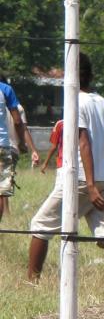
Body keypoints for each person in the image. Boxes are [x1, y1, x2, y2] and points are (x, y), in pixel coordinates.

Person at [27, 54, 104, 281]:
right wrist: (97, 181)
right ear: (91, 76)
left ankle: (31, 281)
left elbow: (84, 142)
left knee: (40, 226)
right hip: (102, 177)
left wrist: (90, 186)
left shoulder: (74, 101)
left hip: (81, 179)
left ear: (69, 76)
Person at [0, 77, 38, 223]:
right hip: (3, 146)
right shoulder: (6, 90)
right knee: (2, 191)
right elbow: (18, 122)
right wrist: (23, 144)